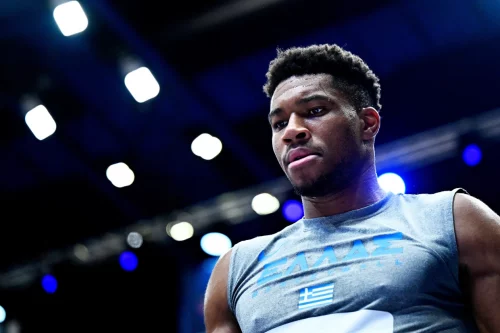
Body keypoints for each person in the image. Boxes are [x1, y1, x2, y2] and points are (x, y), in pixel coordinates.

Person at [203, 44, 500, 333]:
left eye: (315, 110)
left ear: (367, 123)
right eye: (279, 124)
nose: (292, 131)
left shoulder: (454, 221)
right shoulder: (235, 270)